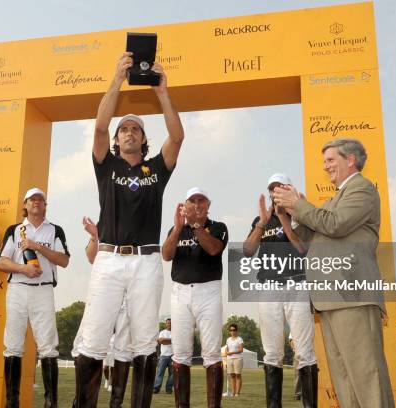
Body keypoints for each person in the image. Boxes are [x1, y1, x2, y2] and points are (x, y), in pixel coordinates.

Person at [73, 50, 184, 408]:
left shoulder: (157, 169)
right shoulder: (106, 166)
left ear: (143, 139)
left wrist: (163, 92)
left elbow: (178, 137)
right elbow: (100, 127)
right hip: (108, 261)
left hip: (147, 262)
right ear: (118, 140)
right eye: (124, 129)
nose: (129, 132)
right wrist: (117, 80)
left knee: (144, 341)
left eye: (135, 128)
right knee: (92, 338)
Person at [274, 138, 395, 407]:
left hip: (353, 295)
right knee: (344, 378)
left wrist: (300, 205)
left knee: (365, 375)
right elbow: (304, 241)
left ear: (350, 160)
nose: (325, 166)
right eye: (325, 161)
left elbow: (336, 224)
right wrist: (287, 213)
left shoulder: (361, 189)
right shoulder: (332, 199)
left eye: (330, 160)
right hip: (329, 298)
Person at [243, 173, 317, 408]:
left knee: (305, 352)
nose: (276, 192)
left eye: (280, 187)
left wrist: (285, 219)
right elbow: (247, 250)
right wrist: (262, 223)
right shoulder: (262, 219)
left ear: (290, 189)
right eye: (272, 189)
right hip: (269, 288)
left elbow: (302, 248)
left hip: (296, 285)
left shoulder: (301, 213)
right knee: (272, 354)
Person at [0, 187, 70, 408]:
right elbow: (2, 262)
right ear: (25, 205)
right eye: (32, 199)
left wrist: (37, 246)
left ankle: (51, 403)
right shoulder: (14, 230)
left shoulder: (55, 230)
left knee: (48, 346)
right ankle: (13, 402)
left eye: (41, 199)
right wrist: (22, 268)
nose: (37, 202)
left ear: (45, 205)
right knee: (12, 346)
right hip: (18, 288)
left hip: (43, 289)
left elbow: (64, 260)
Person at [162, 187, 228, 407]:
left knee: (211, 352)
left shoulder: (218, 227)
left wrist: (197, 226)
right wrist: (179, 227)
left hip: (208, 291)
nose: (197, 205)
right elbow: (166, 254)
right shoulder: (177, 229)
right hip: (180, 291)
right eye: (193, 201)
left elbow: (213, 249)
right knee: (180, 354)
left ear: (208, 206)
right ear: (185, 205)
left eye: (202, 201)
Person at [74, 216, 133, 407]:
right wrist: (94, 236)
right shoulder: (106, 222)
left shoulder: (140, 222)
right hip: (103, 294)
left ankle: (116, 403)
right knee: (85, 345)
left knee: (123, 349)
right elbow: (91, 257)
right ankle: (81, 401)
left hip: (128, 296)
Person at [152, 319, 173, 395]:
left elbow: (164, 341)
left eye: (170, 323)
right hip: (163, 356)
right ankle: (156, 389)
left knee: (172, 374)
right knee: (160, 373)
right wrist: (172, 340)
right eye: (168, 323)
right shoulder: (162, 332)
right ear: (166, 324)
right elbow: (161, 341)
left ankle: (169, 389)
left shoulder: (176, 333)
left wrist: (166, 340)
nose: (169, 324)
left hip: (173, 356)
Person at [225, 324, 244, 397]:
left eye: (233, 330)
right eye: (231, 330)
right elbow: (227, 348)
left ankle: (237, 393)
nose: (232, 331)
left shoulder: (239, 339)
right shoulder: (228, 339)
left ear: (236, 331)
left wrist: (232, 352)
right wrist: (226, 352)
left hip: (238, 359)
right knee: (232, 376)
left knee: (238, 375)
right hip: (229, 359)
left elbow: (241, 349)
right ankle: (233, 392)